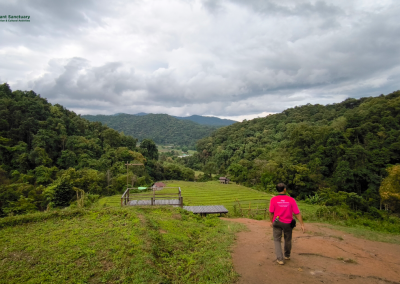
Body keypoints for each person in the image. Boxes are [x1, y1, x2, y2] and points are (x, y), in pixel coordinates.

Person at [269, 183, 305, 265]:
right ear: (284, 189)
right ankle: (287, 255)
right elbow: (297, 213)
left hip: (277, 222)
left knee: (277, 240)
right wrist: (302, 224)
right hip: (288, 223)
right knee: (288, 239)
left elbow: (271, 213)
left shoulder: (273, 199)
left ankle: (280, 259)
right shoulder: (291, 200)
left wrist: (271, 222)